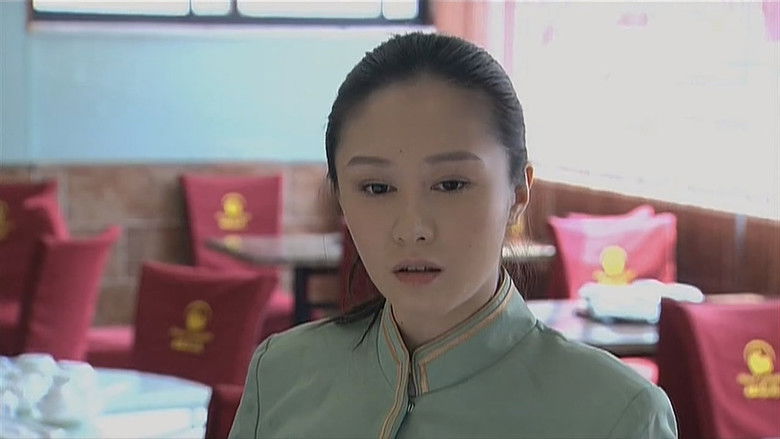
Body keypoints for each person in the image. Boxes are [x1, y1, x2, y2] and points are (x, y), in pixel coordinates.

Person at [229, 32, 677, 439]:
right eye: (376, 188)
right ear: (341, 198)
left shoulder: (618, 416)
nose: (412, 229)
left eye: (451, 185)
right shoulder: (281, 374)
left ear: (518, 193)